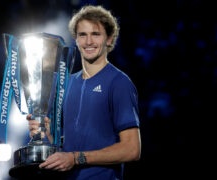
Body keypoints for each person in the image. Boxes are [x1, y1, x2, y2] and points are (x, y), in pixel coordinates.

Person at [27, 5, 141, 180]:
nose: (88, 42)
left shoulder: (119, 83)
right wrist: (46, 135)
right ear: (76, 40)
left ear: (109, 39)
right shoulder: (67, 83)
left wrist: (76, 158)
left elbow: (132, 149)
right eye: (82, 35)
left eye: (96, 34)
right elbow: (68, 147)